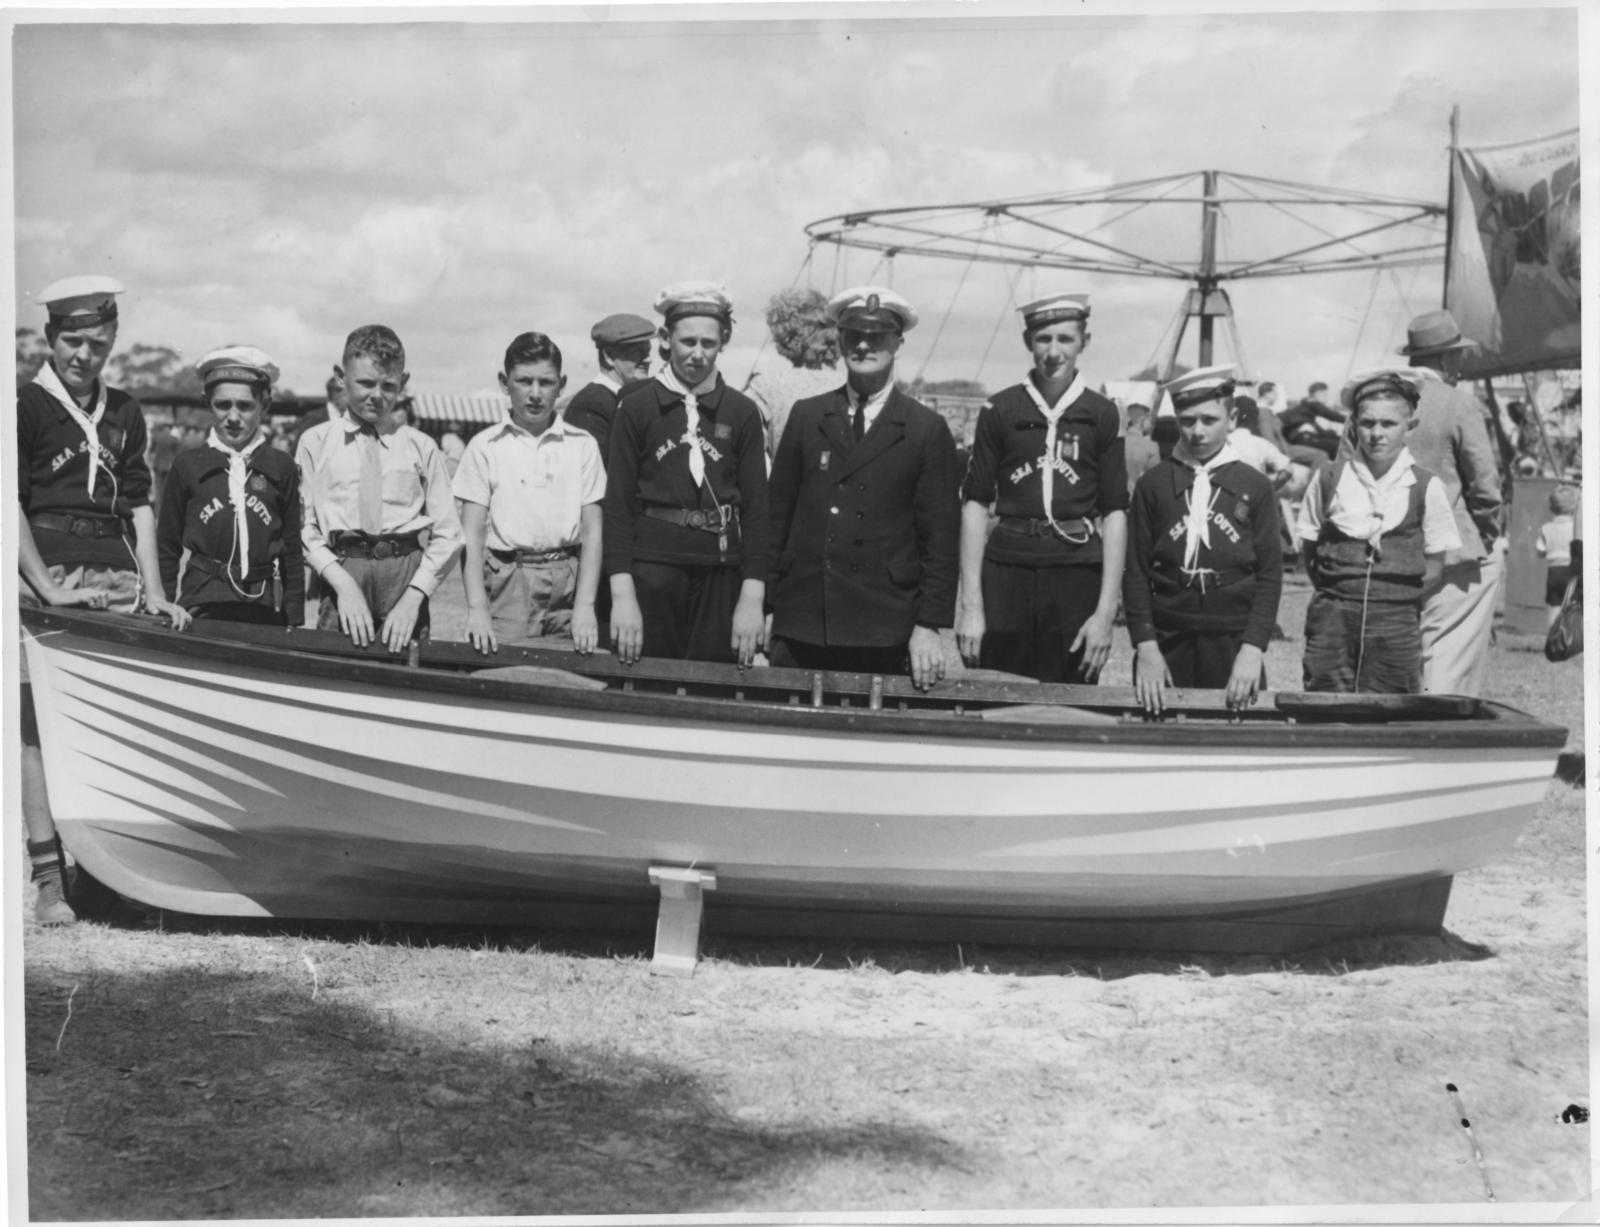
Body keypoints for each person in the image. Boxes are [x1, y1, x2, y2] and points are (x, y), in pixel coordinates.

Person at [17, 275, 190, 924]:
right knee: (35, 729)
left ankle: (106, 876)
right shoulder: (26, 408)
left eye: (96, 343)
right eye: (71, 341)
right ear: (50, 338)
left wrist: (153, 589)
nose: (83, 355)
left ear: (112, 340)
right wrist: (44, 585)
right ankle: (47, 880)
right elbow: (12, 507)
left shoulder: (125, 411)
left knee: (117, 725)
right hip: (50, 584)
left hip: (117, 582)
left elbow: (141, 506)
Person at [765, 286, 959, 688]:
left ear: (898, 343)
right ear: (839, 340)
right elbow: (775, 520)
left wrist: (929, 624)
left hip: (882, 623)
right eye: (853, 335)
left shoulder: (925, 428)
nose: (864, 345)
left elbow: (939, 538)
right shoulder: (808, 416)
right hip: (805, 618)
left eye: (878, 336)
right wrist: (761, 602)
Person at [955, 293, 1128, 683]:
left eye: (1065, 339)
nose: (1053, 351)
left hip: (1075, 572)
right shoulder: (999, 410)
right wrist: (971, 605)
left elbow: (1115, 512)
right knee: (999, 693)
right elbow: (975, 505)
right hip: (1007, 570)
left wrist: (1105, 614)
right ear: (1027, 342)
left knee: (1071, 699)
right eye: (1043, 339)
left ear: (1085, 341)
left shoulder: (1102, 414)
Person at [603, 282, 769, 666]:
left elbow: (759, 511)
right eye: (687, 341)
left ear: (723, 341)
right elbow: (618, 506)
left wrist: (752, 596)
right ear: (666, 339)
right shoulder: (636, 407)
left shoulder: (741, 412)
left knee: (713, 691)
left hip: (720, 573)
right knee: (646, 686)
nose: (697, 354)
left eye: (708, 343)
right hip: (652, 571)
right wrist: (623, 593)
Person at [1123, 366, 1282, 715]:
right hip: (1168, 637)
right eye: (1186, 420)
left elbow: (1270, 575)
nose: (1197, 432)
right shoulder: (1154, 485)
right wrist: (1146, 647)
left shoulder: (1255, 485)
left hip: (1233, 639)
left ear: (1232, 418)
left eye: (1209, 420)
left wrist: (1253, 649)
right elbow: (1134, 571)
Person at [296, 324, 463, 652]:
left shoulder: (421, 447)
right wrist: (342, 584)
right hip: (343, 569)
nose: (377, 395)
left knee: (406, 681)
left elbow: (449, 534)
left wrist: (415, 596)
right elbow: (304, 526)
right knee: (337, 675)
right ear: (340, 377)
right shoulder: (315, 442)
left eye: (388, 385)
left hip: (404, 576)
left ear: (404, 382)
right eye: (365, 383)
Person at [1298, 370, 1460, 693]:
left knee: (1392, 715)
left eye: (1388, 424)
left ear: (1409, 428)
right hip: (1332, 621)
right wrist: (1343, 591)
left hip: (1396, 624)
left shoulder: (1427, 487)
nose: (1376, 434)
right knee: (1325, 709)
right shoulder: (1328, 478)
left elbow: (1435, 568)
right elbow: (1310, 550)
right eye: (1368, 423)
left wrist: (1391, 600)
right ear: (1354, 425)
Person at [453, 331, 605, 653]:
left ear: (561, 385)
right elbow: (471, 537)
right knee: (505, 673)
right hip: (510, 583)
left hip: (568, 579)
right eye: (524, 381)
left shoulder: (582, 446)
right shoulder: (485, 447)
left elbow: (593, 532)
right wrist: (477, 608)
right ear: (504, 383)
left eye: (546, 383)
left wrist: (585, 606)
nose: (535, 393)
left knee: (569, 680)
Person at [1390, 309, 1507, 697]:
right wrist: (1488, 537)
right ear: (1444, 358)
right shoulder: (1457, 403)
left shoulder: (1374, 400)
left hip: (1385, 548)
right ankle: (1439, 724)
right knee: (1444, 651)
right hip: (1449, 549)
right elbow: (1485, 486)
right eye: (1457, 354)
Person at [157, 345, 305, 627]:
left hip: (263, 606)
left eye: (245, 405)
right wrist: (163, 603)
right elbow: (167, 544)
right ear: (207, 403)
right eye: (223, 404)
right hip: (201, 602)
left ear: (265, 405)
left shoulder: (281, 466)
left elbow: (292, 549)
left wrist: (294, 616)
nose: (233, 417)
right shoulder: (188, 465)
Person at [743, 287, 844, 461]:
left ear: (784, 335)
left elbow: (743, 439)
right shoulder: (851, 383)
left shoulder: (766, 386)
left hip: (785, 484)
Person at [563, 312, 656, 461]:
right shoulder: (591, 406)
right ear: (609, 357)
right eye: (639, 352)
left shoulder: (629, 400)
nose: (649, 359)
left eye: (648, 352)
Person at [1536, 484, 1579, 629]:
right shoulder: (1576, 527)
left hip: (1554, 573)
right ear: (1574, 507)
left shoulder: (1546, 528)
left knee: (1554, 606)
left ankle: (1553, 638)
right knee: (1574, 606)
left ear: (1551, 508)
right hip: (1572, 571)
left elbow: (1540, 551)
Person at [1280, 380, 1346, 462]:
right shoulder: (1312, 403)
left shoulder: (1305, 405)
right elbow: (1331, 415)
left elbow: (1316, 427)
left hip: (1302, 437)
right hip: (1303, 438)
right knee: (1340, 446)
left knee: (1340, 441)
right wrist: (1352, 420)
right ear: (1318, 393)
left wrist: (1332, 434)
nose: (1327, 397)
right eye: (1325, 394)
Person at [1122, 402, 1161, 498]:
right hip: (1137, 500)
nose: (1151, 423)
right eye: (1150, 419)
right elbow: (1155, 481)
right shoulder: (1151, 446)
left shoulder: (1115, 442)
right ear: (1144, 419)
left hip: (1113, 502)